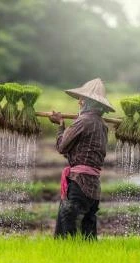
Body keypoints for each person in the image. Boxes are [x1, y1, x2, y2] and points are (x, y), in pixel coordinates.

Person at [49, 78, 115, 240]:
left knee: (67, 230)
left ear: (87, 102)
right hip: (93, 185)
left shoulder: (83, 121)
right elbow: (79, 152)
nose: (79, 102)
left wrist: (60, 125)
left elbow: (62, 147)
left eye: (81, 100)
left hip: (79, 183)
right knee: (88, 231)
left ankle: (67, 258)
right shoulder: (101, 125)